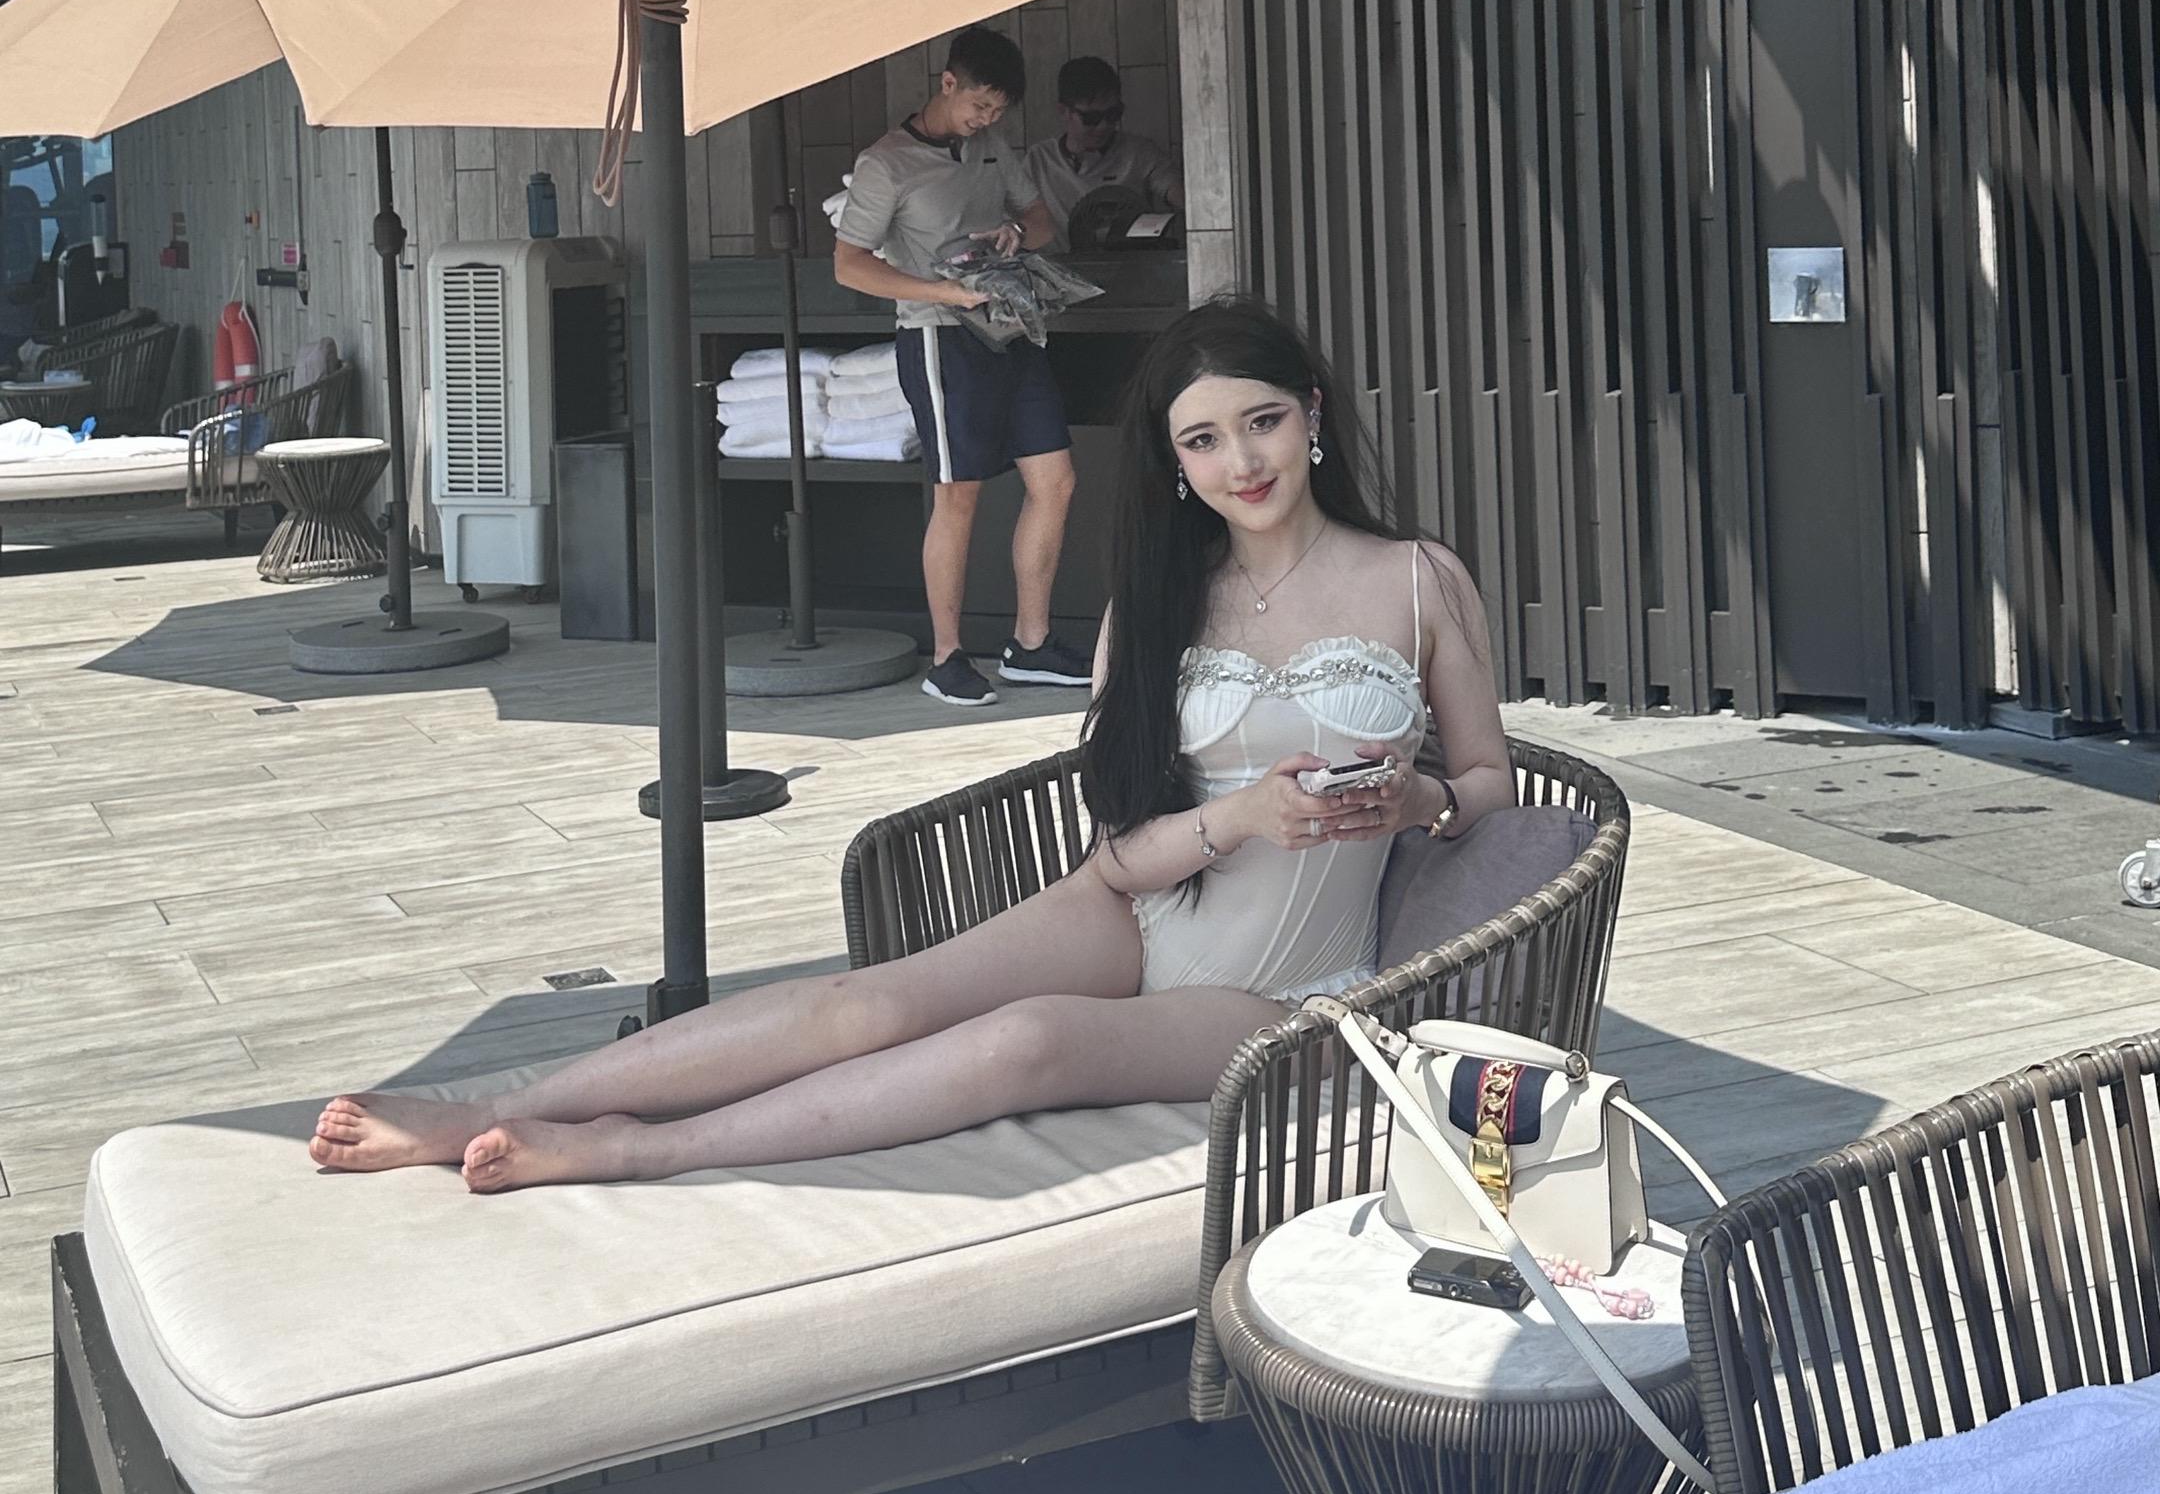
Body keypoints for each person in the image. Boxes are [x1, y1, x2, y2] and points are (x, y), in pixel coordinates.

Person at [309, 295, 1513, 1194]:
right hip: (1140, 907)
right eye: (1202, 440)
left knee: (1028, 1040)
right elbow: (1120, 849)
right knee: (864, 1003)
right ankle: (498, 1098)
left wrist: (1424, 804)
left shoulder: (1418, 581)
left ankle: (637, 1147)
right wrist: (1240, 817)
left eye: (1262, 422)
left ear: (1312, 414)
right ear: (1175, 464)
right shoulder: (1157, 601)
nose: (1241, 462)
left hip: (1292, 991)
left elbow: (1493, 783)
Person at [833, 25, 1086, 704]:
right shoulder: (886, 164)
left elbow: (1041, 221)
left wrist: (1014, 232)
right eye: (979, 105)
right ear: (947, 84)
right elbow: (849, 264)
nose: (986, 119)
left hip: (1012, 325)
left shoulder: (992, 146)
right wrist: (941, 292)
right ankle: (947, 659)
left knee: (1056, 480)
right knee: (958, 493)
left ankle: (1031, 644)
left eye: (997, 110)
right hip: (940, 337)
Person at [1024, 54, 1183, 250]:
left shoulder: (1139, 153)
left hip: (1129, 264)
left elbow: (1177, 191)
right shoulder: (1039, 161)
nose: (1103, 126)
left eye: (1113, 115)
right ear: (1064, 111)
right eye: (1091, 118)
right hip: (1060, 265)